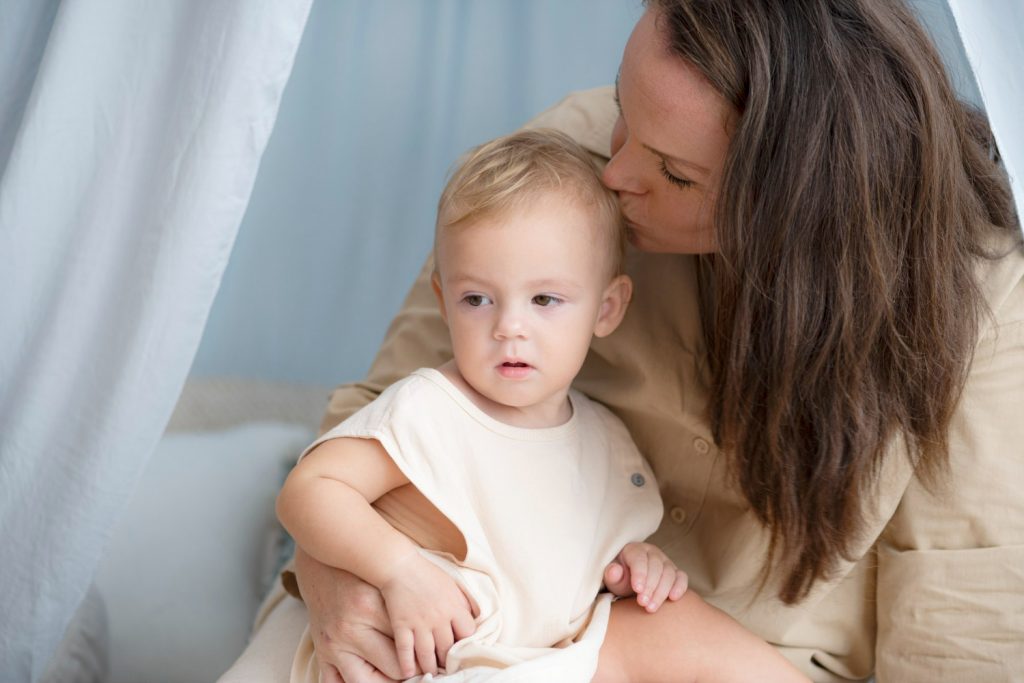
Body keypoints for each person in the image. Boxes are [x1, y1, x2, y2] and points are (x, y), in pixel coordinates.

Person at [222, 1, 1024, 681]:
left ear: (793, 211)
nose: (616, 173)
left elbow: (964, 616)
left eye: (676, 175)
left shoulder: (975, 295)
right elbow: (383, 417)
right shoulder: (569, 169)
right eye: (622, 107)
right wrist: (337, 573)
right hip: (513, 618)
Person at [271, 128, 803, 683]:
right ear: (443, 304)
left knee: (684, 629)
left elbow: (571, 560)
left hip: (542, 659)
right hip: (435, 661)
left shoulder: (603, 438)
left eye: (545, 300)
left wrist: (629, 568)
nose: (509, 328)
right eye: (477, 299)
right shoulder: (431, 408)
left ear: (606, 308)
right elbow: (309, 490)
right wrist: (398, 569)